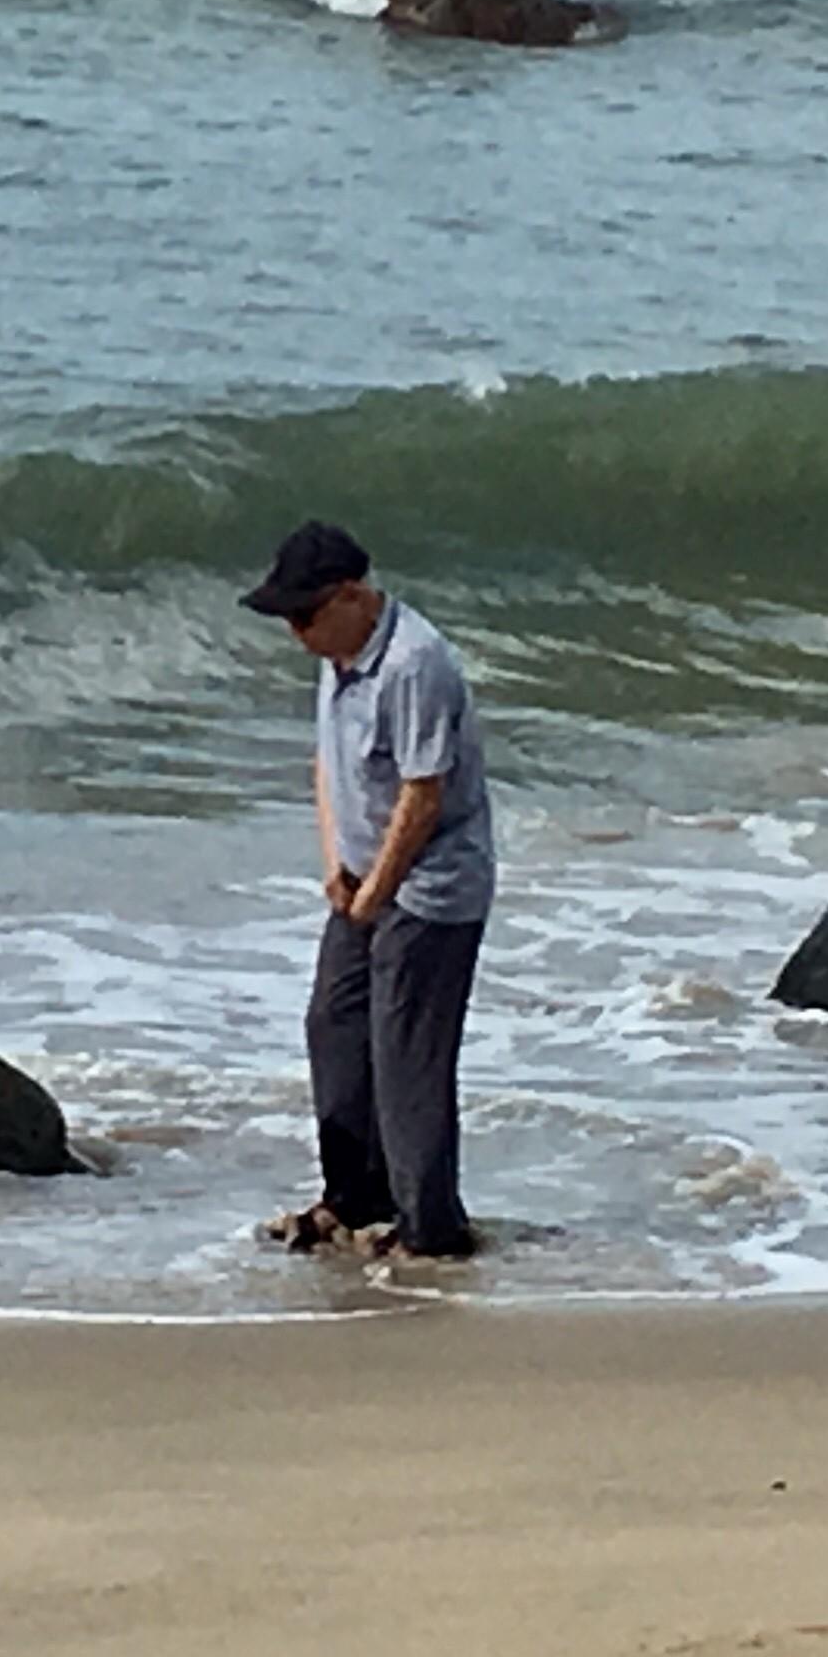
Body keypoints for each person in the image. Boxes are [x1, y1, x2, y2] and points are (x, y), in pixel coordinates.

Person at [241, 520, 490, 1259]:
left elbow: (423, 795)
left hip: (432, 887)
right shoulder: (340, 656)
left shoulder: (415, 664)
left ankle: (430, 1229)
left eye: (305, 615)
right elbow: (327, 765)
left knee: (407, 1055)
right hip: (362, 881)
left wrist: (378, 889)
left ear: (352, 596)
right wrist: (335, 865)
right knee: (333, 1025)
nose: (296, 632)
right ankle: (354, 1197)